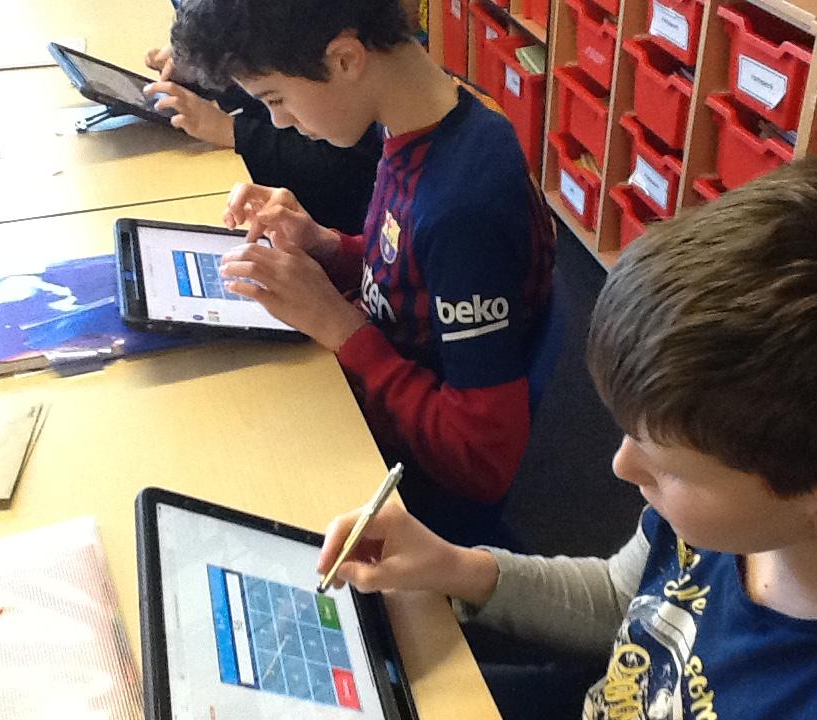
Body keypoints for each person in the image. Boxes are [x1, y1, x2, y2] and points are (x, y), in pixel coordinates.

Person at [317, 156, 817, 718]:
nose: (622, 465)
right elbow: (623, 598)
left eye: (669, 468)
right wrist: (451, 566)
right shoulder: (733, 509)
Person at [169, 0, 557, 545]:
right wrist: (325, 245)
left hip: (409, 487)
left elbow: (481, 460)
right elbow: (409, 273)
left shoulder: (462, 208)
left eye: (275, 99)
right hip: (383, 387)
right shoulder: (427, 115)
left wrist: (338, 325)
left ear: (346, 59)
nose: (278, 121)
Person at [142, 45, 381, 235]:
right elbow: (271, 83)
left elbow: (346, 168)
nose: (279, 119)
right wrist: (209, 72)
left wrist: (232, 130)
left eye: (276, 100)